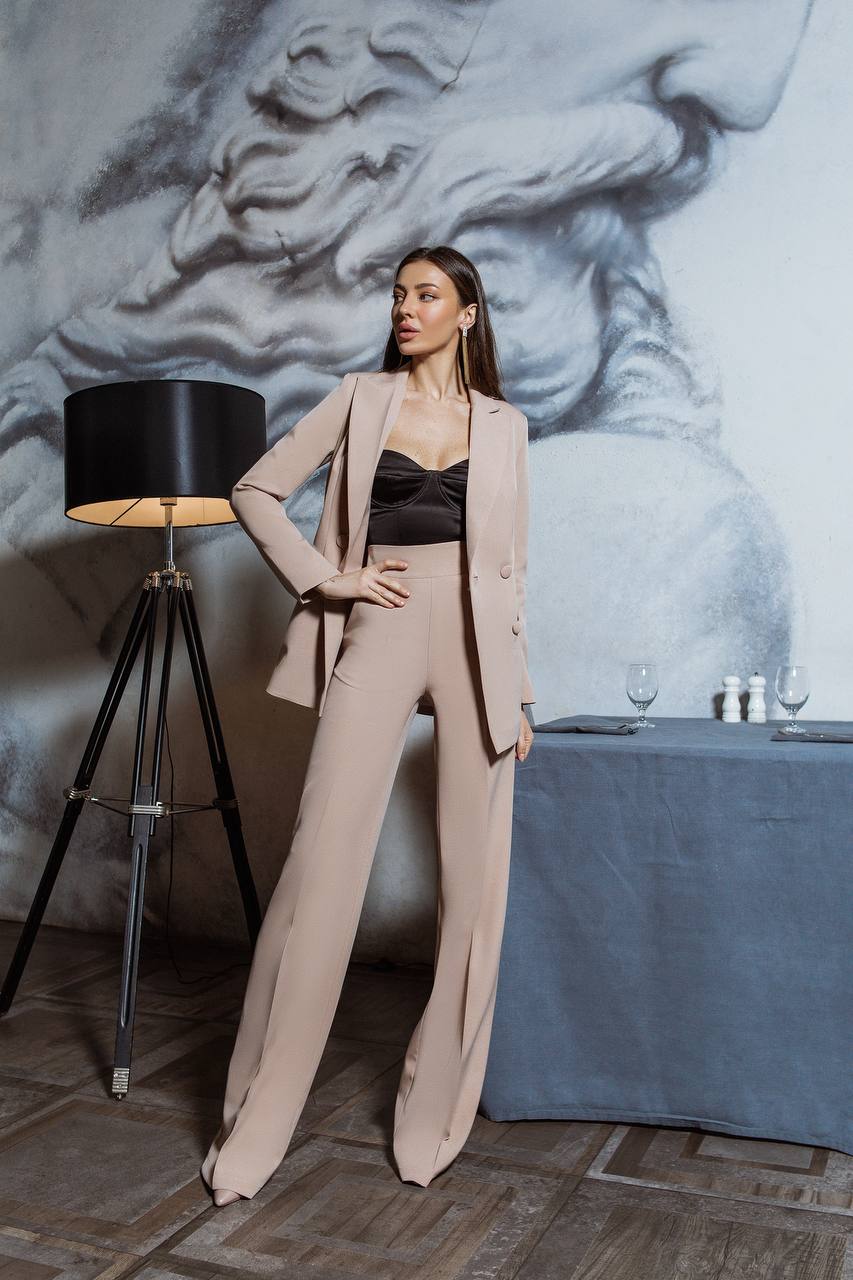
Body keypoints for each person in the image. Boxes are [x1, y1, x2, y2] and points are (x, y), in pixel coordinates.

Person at [200, 244, 534, 1202]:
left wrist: (518, 694)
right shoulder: (358, 397)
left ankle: (432, 1121)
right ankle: (256, 1122)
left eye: (426, 295)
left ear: (466, 312)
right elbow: (254, 491)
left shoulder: (507, 428)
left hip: (479, 651)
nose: (406, 308)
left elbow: (512, 572)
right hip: (380, 626)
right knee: (319, 869)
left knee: (473, 894)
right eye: (397, 294)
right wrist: (327, 579)